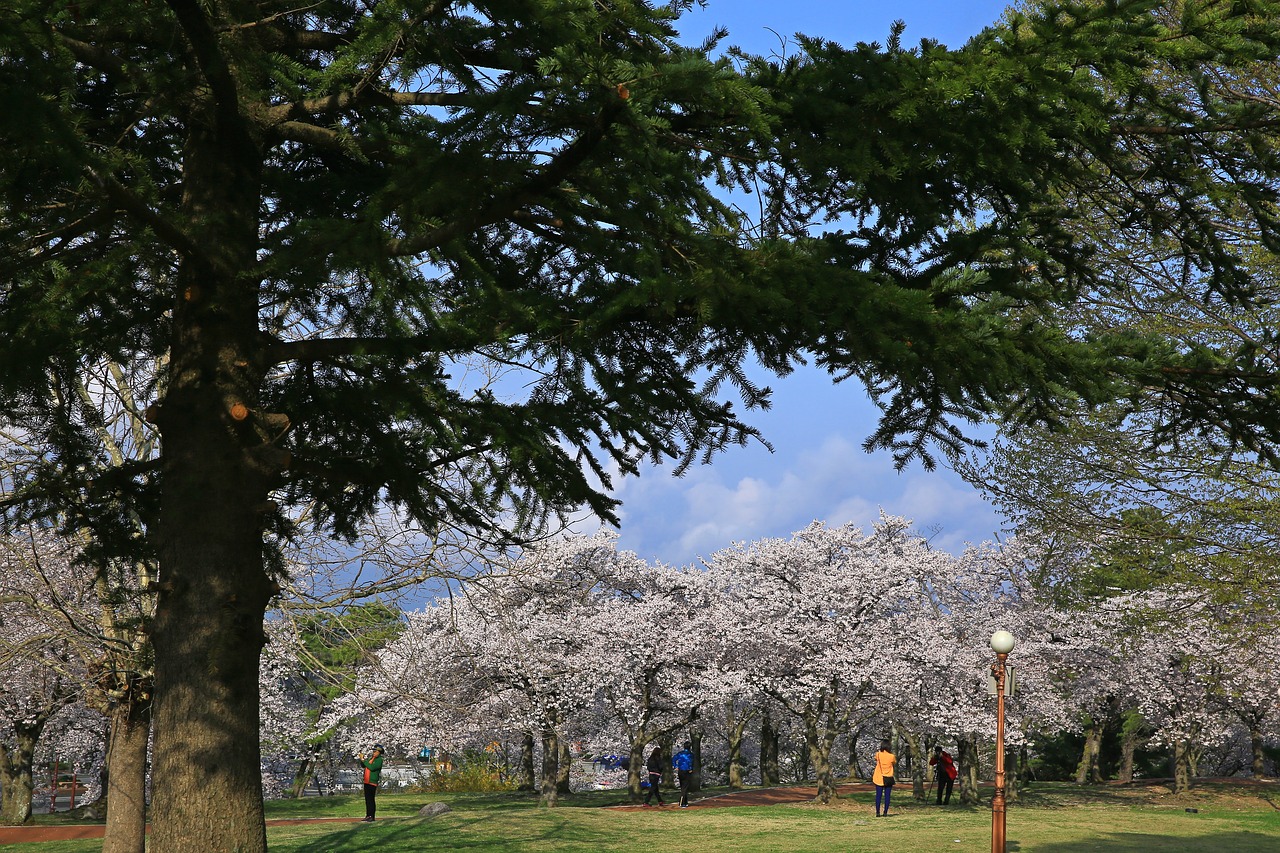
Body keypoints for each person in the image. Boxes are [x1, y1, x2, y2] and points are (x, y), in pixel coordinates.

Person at [359, 744, 385, 821]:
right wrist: (362, 759)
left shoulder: (379, 760)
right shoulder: (371, 759)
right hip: (366, 781)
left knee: (371, 800)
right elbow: (364, 765)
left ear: (379, 752)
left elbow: (372, 767)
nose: (374, 753)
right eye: (373, 751)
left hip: (372, 782)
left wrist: (364, 761)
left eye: (375, 751)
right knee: (367, 800)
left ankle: (372, 816)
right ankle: (368, 815)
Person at [872, 739, 896, 817]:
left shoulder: (878, 754)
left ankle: (877, 812)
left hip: (879, 777)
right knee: (887, 796)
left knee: (878, 795)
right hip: (888, 778)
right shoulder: (892, 756)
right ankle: (885, 812)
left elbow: (875, 759)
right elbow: (894, 762)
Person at [672, 741, 695, 808]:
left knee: (683, 786)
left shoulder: (680, 754)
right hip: (687, 771)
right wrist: (691, 768)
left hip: (681, 771)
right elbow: (690, 762)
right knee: (685, 787)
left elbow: (673, 759)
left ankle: (685, 801)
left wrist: (675, 766)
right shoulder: (690, 754)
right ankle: (682, 802)